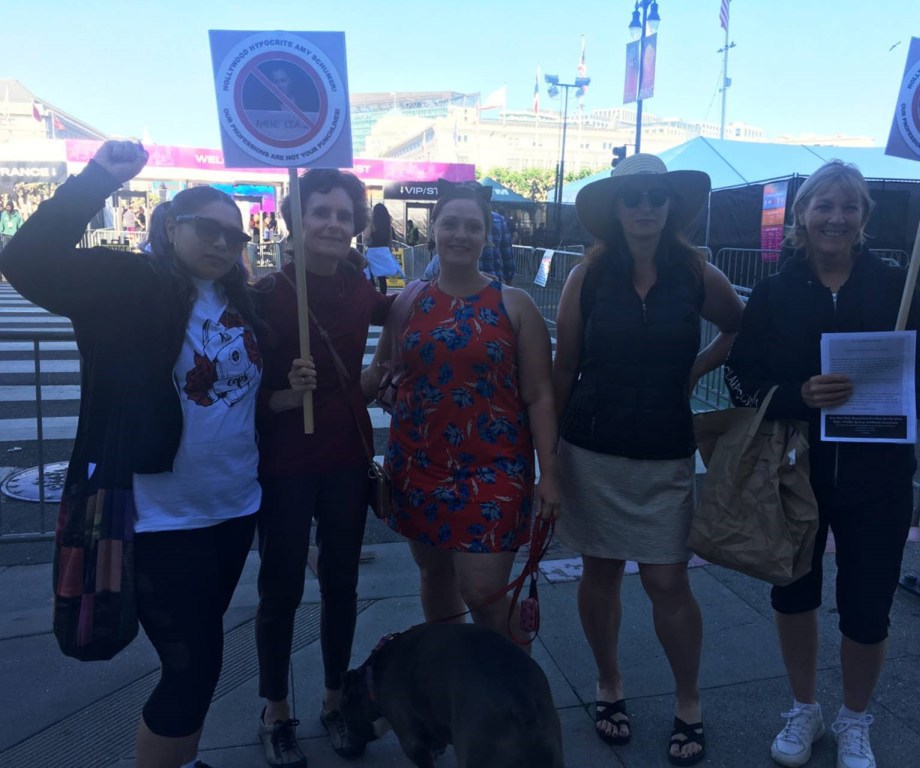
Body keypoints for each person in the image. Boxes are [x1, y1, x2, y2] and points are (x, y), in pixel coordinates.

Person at [1, 140, 261, 768]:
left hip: (232, 507)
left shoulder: (240, 301)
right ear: (170, 227)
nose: (222, 243)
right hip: (157, 516)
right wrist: (97, 179)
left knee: (201, 651)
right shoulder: (125, 283)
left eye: (234, 235)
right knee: (192, 666)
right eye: (206, 228)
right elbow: (25, 260)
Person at [723, 160, 920, 768]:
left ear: (863, 218)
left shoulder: (895, 285)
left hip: (879, 475)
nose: (836, 217)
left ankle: (855, 718)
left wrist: (902, 405)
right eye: (823, 205)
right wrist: (799, 395)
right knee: (793, 594)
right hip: (793, 472)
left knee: (868, 606)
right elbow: (740, 379)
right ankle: (805, 708)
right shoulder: (774, 292)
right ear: (802, 215)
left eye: (849, 206)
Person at [552, 153, 744, 766]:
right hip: (593, 445)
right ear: (616, 207)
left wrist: (695, 370)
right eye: (632, 196)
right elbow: (564, 365)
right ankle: (609, 684)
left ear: (670, 206)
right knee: (601, 571)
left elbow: (739, 327)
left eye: (655, 196)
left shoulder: (696, 273)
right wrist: (547, 454)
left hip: (664, 447)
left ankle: (688, 699)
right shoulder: (587, 276)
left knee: (667, 580)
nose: (644, 206)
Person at [364, 180, 560, 644]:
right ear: (433, 229)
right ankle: (452, 674)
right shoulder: (409, 300)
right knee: (435, 576)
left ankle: (515, 685)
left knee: (484, 591)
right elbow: (380, 372)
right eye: (450, 223)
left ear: (486, 236)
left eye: (473, 226)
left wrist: (550, 476)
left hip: (495, 470)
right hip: (417, 466)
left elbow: (539, 395)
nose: (460, 234)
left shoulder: (515, 306)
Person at [252, 169, 392, 767]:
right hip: (285, 462)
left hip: (346, 460)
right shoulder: (265, 293)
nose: (333, 223)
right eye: (320, 212)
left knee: (341, 585)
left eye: (343, 214)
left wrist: (384, 371)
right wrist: (284, 394)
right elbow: (237, 390)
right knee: (280, 589)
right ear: (297, 219)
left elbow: (405, 316)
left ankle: (335, 701)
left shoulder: (360, 287)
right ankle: (275, 711)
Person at [363, 203, 402, 294]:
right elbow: (390, 239)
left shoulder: (372, 223)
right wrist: (389, 250)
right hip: (384, 250)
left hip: (373, 251)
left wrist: (365, 239)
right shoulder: (387, 223)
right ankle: (383, 296)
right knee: (382, 276)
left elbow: (367, 236)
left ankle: (372, 294)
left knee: (370, 273)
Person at [480, 210, 516, 284]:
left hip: (463, 281)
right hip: (493, 280)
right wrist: (509, 277)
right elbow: (507, 253)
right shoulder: (498, 220)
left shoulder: (460, 214)